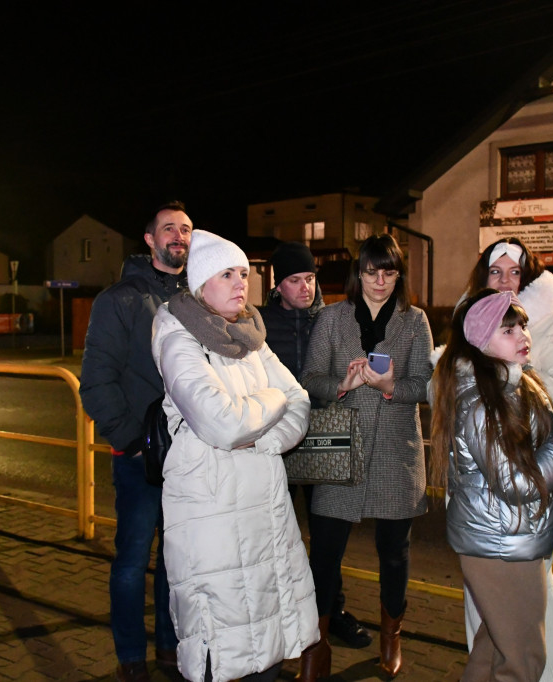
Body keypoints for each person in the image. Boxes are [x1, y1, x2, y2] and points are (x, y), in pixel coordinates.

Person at [151, 230, 319, 682]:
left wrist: (260, 439)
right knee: (221, 642)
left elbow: (299, 401)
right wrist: (270, 401)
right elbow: (220, 424)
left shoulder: (250, 335)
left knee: (266, 640)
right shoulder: (177, 335)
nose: (241, 283)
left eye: (244, 273)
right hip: (212, 513)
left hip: (264, 507)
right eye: (227, 274)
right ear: (202, 283)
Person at [429, 289, 553, 681]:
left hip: (509, 541)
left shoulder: (516, 385)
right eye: (508, 329)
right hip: (502, 548)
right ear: (481, 341)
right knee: (523, 662)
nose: (523, 335)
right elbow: (517, 484)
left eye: (522, 325)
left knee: (492, 654)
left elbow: (529, 470)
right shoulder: (484, 402)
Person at [299, 233, 433, 679]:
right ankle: (315, 645)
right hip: (340, 447)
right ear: (359, 273)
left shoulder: (415, 321)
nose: (380, 281)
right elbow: (311, 378)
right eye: (372, 271)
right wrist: (344, 384)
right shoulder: (333, 318)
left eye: (389, 272)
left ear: (399, 274)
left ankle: (391, 635)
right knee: (325, 553)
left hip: (396, 452)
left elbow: (425, 385)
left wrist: (391, 386)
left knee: (394, 553)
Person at [79, 201, 191, 682]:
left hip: (189, 456)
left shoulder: (196, 297)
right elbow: (95, 382)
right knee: (131, 559)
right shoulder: (118, 299)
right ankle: (130, 657)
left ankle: (168, 647)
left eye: (186, 230)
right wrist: (133, 440)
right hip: (140, 459)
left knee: (176, 560)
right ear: (149, 239)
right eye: (169, 229)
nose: (179, 237)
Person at [258, 241, 372, 652]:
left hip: (327, 435)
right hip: (277, 440)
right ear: (277, 283)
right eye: (294, 280)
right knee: (277, 534)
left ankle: (329, 611)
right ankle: (283, 614)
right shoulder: (260, 322)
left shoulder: (333, 319)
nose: (305, 287)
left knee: (328, 535)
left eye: (309, 278)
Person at [464, 237, 553, 413]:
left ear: (527, 278)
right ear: (483, 278)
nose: (504, 280)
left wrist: (507, 384)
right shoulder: (469, 322)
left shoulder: (552, 323)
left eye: (515, 272)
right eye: (495, 272)